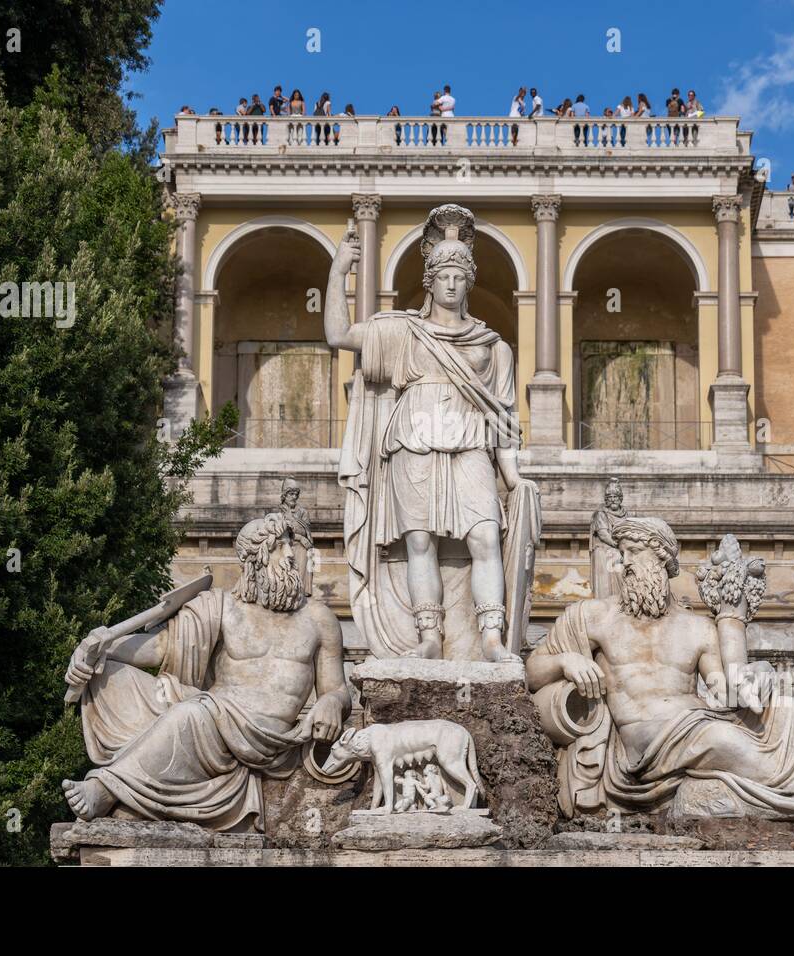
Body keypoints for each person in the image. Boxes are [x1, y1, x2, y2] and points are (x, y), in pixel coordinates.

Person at [527, 519, 794, 818]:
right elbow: (532, 671)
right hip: (645, 742)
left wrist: (757, 674)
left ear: (662, 559)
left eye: (634, 552)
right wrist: (566, 660)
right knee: (721, 739)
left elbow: (726, 691)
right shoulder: (593, 617)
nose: (624, 562)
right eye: (621, 553)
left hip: (698, 723)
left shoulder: (697, 628)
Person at [325, 204, 535, 663]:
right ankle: (429, 636)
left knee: (484, 535)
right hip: (412, 437)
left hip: (469, 438)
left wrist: (514, 476)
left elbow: (504, 417)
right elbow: (338, 334)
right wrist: (339, 271)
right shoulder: (403, 332)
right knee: (420, 541)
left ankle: (493, 637)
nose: (452, 283)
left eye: (460, 275)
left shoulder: (493, 346)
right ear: (430, 281)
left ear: (469, 282)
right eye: (443, 275)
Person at [60, 514, 351, 830]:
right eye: (280, 546)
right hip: (214, 714)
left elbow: (337, 689)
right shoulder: (222, 607)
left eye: (292, 545)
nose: (292, 555)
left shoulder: (319, 619)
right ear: (255, 560)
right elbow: (160, 648)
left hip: (267, 737)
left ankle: (105, 789)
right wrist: (100, 649)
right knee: (111, 677)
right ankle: (134, 794)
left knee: (191, 715)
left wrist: (332, 703)